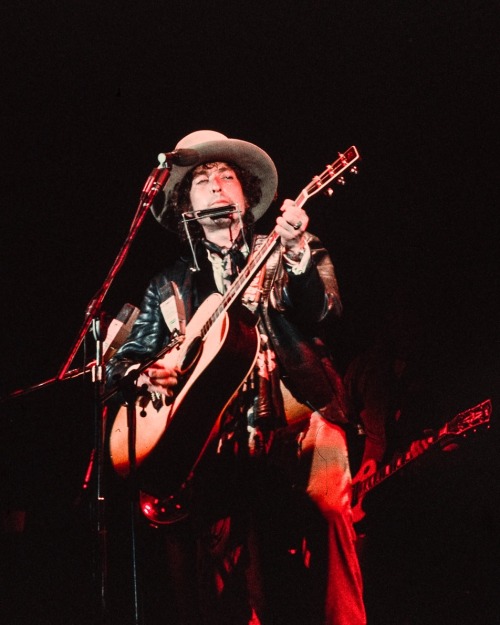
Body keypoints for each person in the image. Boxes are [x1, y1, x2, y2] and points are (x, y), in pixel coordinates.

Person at [106, 130, 366, 625]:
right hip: (218, 438)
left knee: (328, 511)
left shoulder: (288, 246)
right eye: (203, 178)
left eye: (228, 176)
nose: (217, 184)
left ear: (247, 197)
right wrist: (146, 373)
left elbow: (324, 311)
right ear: (186, 201)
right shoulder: (170, 283)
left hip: (297, 406)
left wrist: (296, 256)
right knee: (225, 570)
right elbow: (123, 361)